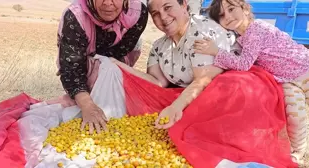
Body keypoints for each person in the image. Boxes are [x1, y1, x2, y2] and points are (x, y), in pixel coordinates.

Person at [193, 0, 309, 163]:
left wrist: (216, 51)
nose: (228, 16)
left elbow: (243, 64)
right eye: (222, 15)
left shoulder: (256, 28)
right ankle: (298, 151)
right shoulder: (239, 38)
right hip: (286, 80)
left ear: (245, 9)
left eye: (231, 9)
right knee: (295, 116)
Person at [111, 0, 240, 129]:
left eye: (167, 8)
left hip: (224, 98)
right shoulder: (159, 46)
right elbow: (156, 82)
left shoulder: (201, 33)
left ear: (184, 4)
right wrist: (118, 65)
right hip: (190, 97)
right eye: (155, 13)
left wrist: (175, 108)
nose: (163, 17)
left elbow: (203, 80)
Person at [56, 0, 148, 134]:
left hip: (115, 63)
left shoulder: (138, 13)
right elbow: (71, 69)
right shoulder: (75, 16)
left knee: (110, 71)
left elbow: (120, 55)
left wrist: (107, 85)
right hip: (83, 64)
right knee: (81, 102)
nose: (107, 3)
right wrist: (88, 105)